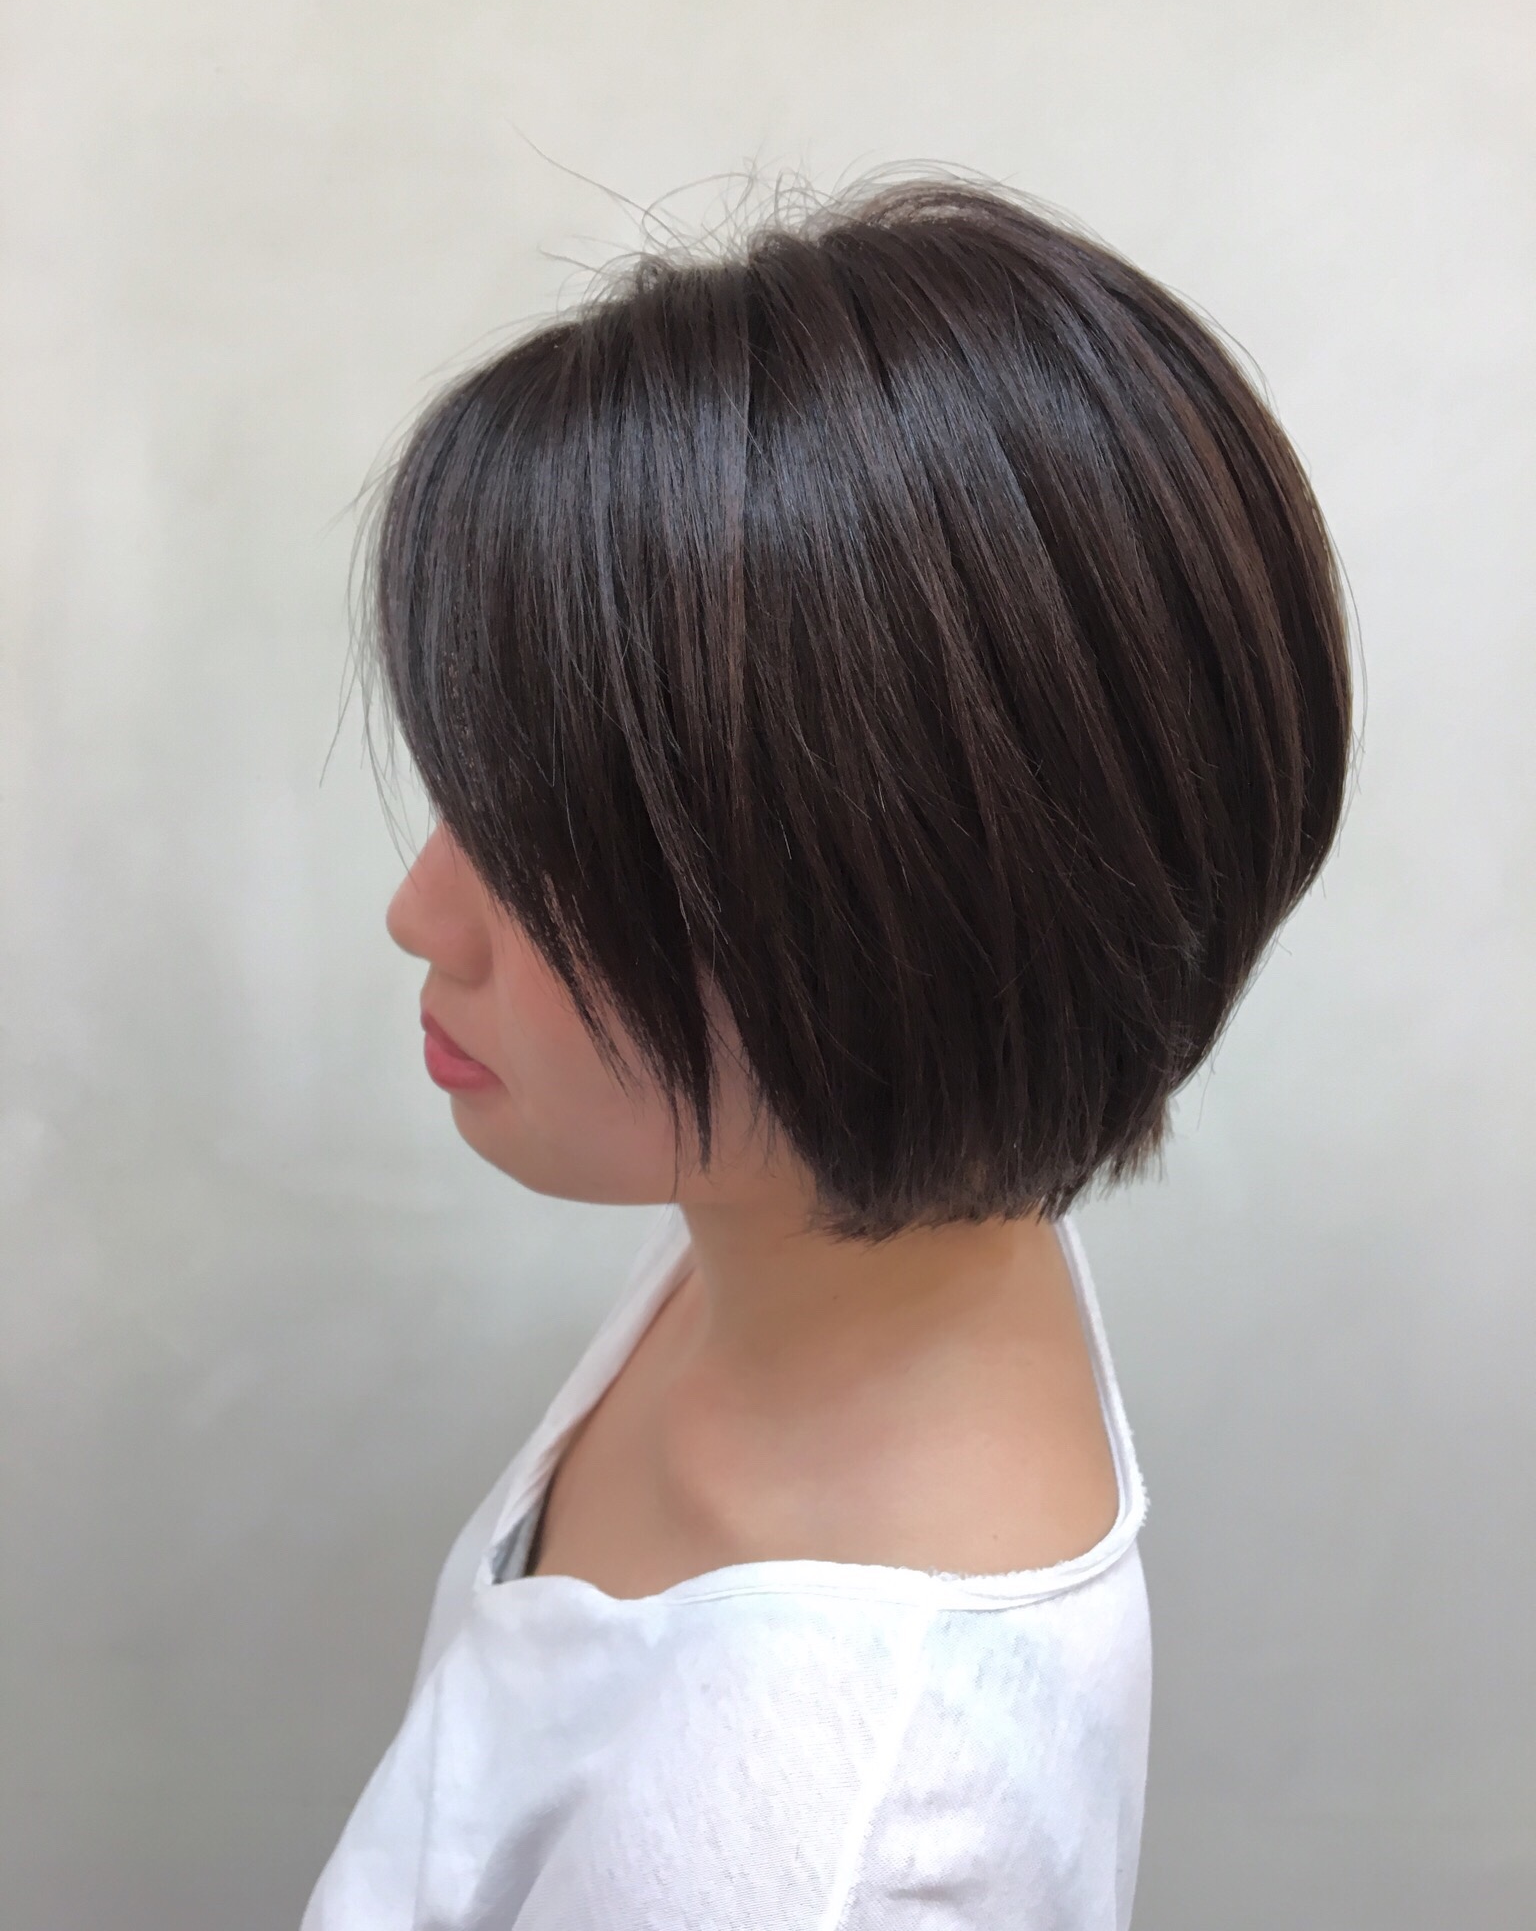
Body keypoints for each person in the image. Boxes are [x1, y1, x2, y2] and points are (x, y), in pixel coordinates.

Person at [300, 172, 1354, 1929]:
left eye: (543, 848)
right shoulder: (828, 1229)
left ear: (898, 917)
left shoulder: (827, 1852)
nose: (425, 914)